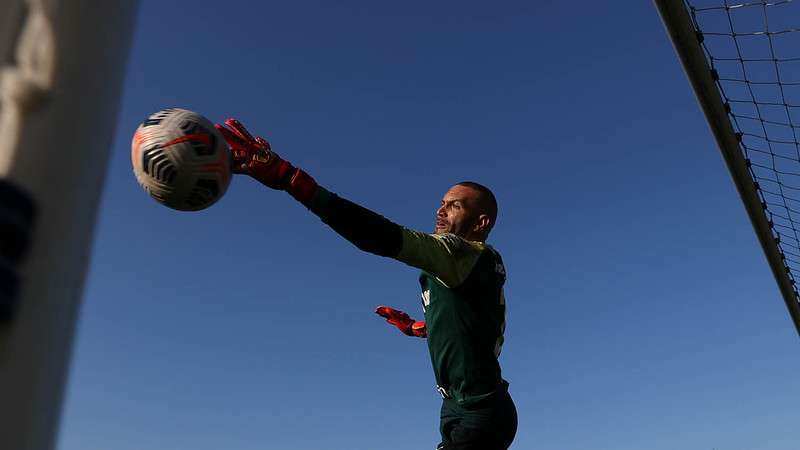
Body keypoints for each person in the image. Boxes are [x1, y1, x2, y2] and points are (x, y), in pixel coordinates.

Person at [216, 118, 517, 450]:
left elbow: (379, 235)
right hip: (462, 408)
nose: (440, 211)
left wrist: (291, 178)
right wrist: (422, 327)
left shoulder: (459, 252)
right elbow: (474, 322)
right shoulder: (478, 265)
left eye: (454, 206)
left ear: (482, 221)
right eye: (442, 203)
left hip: (480, 412)